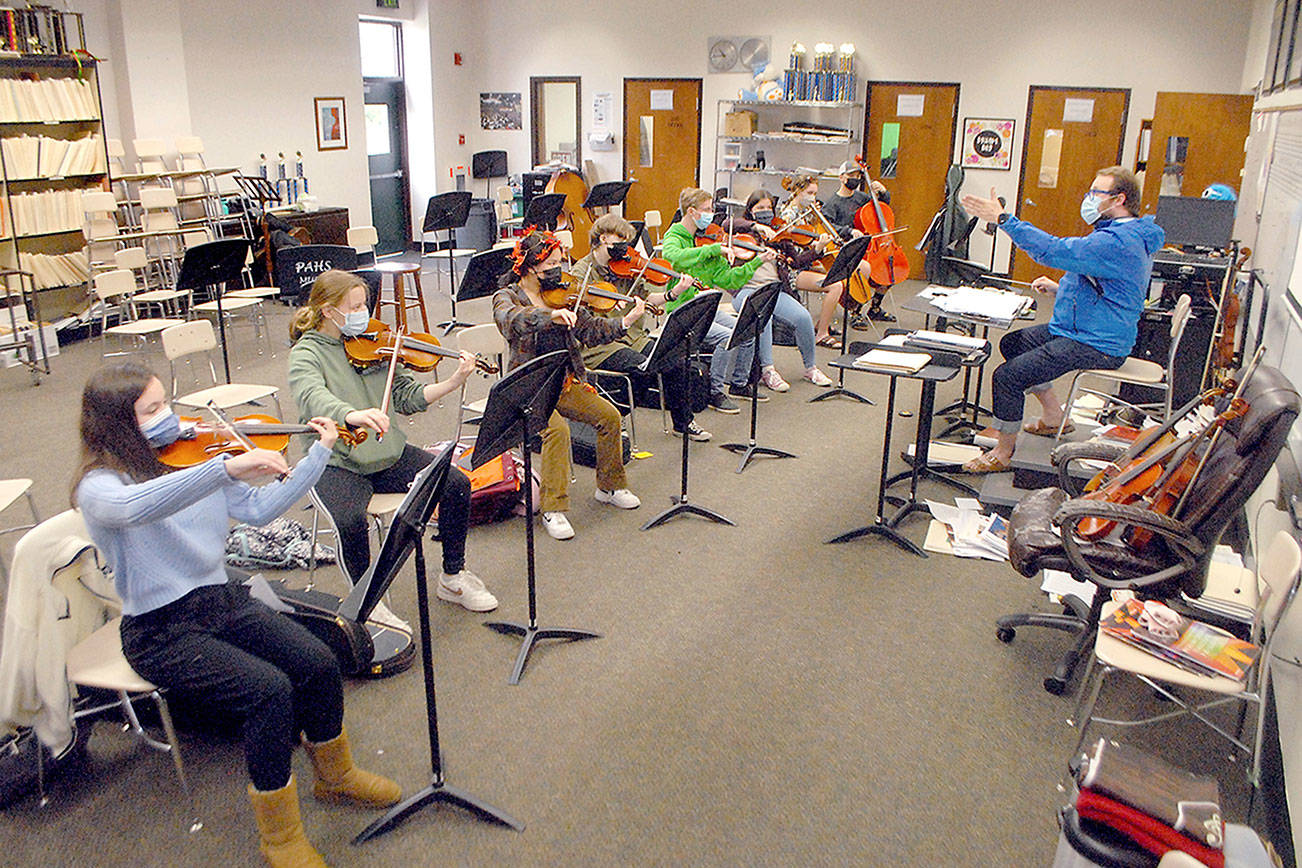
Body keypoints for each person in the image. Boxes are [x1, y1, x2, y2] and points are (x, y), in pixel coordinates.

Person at [74, 363, 399, 867]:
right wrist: (223, 469)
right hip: (159, 630)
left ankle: (336, 777)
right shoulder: (98, 486)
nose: (170, 417)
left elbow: (260, 509)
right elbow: (137, 507)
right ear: (117, 423)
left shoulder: (191, 456)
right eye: (152, 410)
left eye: (167, 402)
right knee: (267, 692)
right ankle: (281, 838)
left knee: (318, 660)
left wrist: (319, 454)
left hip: (217, 599)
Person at [288, 269, 497, 621]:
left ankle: (452, 577)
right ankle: (365, 604)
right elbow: (312, 397)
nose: (363, 314)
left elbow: (408, 396)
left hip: (384, 453)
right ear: (328, 311)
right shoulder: (306, 354)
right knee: (351, 521)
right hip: (336, 462)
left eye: (364, 306)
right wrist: (351, 414)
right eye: (354, 307)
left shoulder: (374, 342)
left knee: (456, 484)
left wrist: (453, 381)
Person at [958, 166, 1165, 473]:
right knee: (1014, 344)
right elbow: (1106, 283)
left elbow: (1053, 250)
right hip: (1085, 328)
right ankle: (1055, 417)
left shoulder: (1118, 241)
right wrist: (1060, 289)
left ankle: (1002, 452)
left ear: (1119, 199)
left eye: (1096, 192)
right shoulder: (1124, 232)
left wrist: (1004, 220)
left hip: (1098, 343)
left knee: (1008, 377)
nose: (1089, 198)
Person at [493, 227, 644, 541]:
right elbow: (510, 321)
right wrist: (550, 316)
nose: (557, 270)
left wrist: (624, 322)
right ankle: (553, 507)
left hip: (563, 380)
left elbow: (590, 329)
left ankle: (610, 486)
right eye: (550, 265)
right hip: (530, 387)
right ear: (529, 266)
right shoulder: (507, 296)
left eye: (559, 263)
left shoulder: (564, 292)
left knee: (609, 416)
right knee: (557, 431)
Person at [571, 213, 712, 441]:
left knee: (675, 360)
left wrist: (673, 293)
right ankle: (615, 416)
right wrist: (609, 305)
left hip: (633, 337)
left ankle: (683, 423)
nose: (625, 247)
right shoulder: (582, 272)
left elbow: (646, 298)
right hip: (601, 344)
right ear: (603, 238)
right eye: (620, 240)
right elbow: (582, 320)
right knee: (643, 368)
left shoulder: (625, 267)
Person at [661, 186, 779, 408]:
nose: (711, 214)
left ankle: (739, 384)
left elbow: (729, 281)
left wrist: (757, 261)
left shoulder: (707, 241)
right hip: (682, 310)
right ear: (691, 211)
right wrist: (714, 249)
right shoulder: (675, 235)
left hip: (706, 308)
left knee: (748, 329)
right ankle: (715, 392)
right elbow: (674, 257)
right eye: (706, 210)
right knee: (727, 337)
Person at [725, 190, 834, 387]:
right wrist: (756, 226)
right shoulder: (742, 233)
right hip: (746, 291)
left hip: (774, 290)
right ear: (750, 210)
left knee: (803, 317)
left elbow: (796, 262)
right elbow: (727, 223)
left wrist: (817, 249)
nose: (765, 211)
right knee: (763, 316)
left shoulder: (780, 235)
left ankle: (810, 368)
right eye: (760, 208)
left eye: (768, 207)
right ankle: (768, 370)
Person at [819, 161, 895, 324]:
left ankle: (875, 308)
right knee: (863, 271)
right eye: (851, 175)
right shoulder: (832, 203)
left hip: (867, 245)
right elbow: (827, 225)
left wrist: (884, 193)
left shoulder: (862, 198)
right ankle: (856, 311)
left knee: (888, 269)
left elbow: (880, 209)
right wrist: (849, 231)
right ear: (841, 177)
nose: (855, 178)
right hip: (847, 247)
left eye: (857, 176)